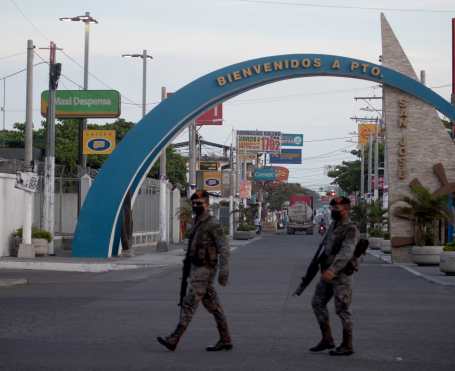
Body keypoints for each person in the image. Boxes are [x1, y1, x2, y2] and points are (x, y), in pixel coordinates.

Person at [157, 190, 232, 352]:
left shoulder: (212, 223)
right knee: (214, 306)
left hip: (206, 270)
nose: (196, 206)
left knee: (189, 303)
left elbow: (224, 248)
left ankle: (174, 338)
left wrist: (224, 271)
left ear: (207, 204)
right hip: (196, 269)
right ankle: (226, 339)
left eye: (200, 203)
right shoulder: (197, 222)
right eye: (194, 203)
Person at [310, 197, 359, 356]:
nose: (333, 211)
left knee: (342, 309)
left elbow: (346, 252)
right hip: (327, 273)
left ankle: (347, 344)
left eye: (337, 208)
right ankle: (327, 338)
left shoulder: (350, 229)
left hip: (341, 274)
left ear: (346, 209)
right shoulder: (333, 226)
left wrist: (333, 270)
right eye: (332, 208)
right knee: (317, 302)